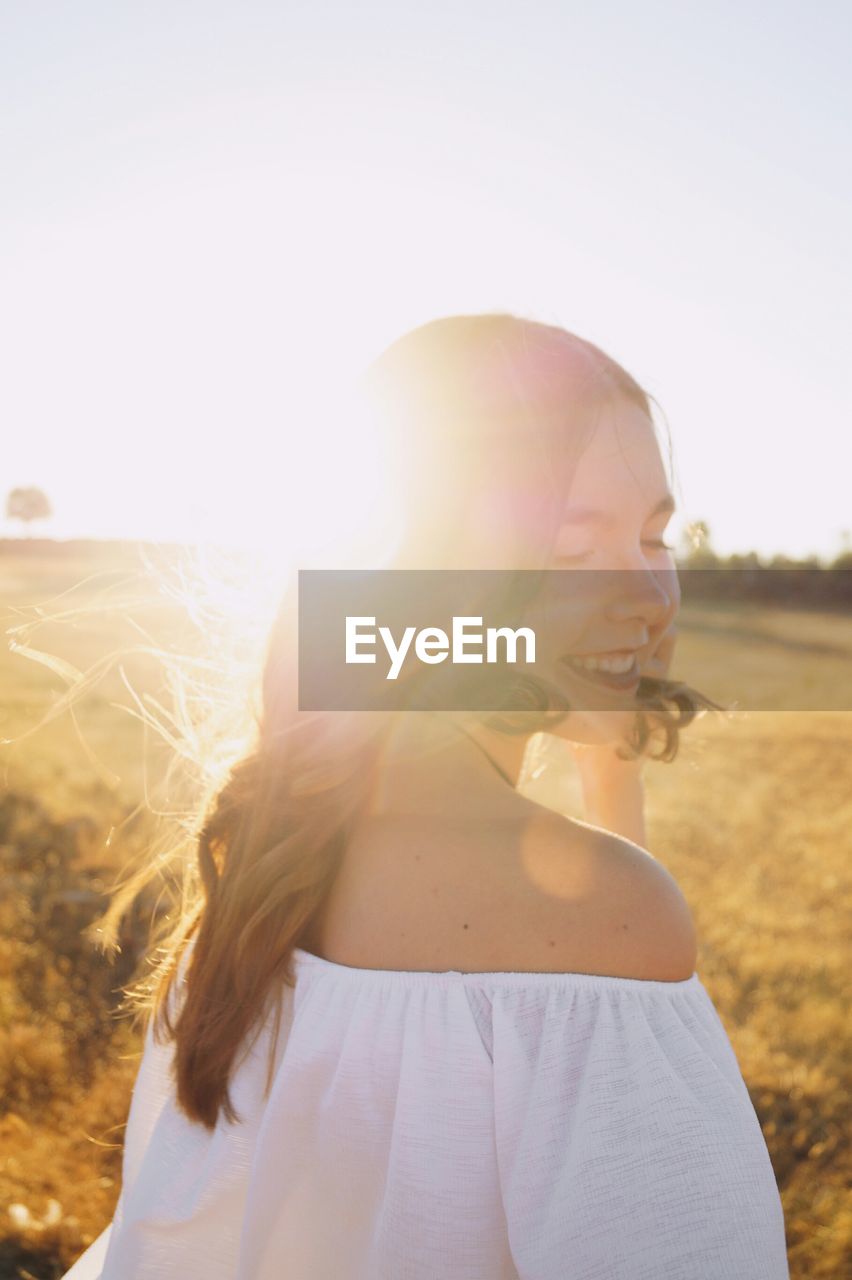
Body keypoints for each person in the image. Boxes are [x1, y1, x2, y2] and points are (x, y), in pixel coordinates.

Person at [62, 314, 789, 1278]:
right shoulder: (605, 926)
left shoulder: (263, 877)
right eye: (574, 550)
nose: (651, 593)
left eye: (656, 535)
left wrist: (609, 780)